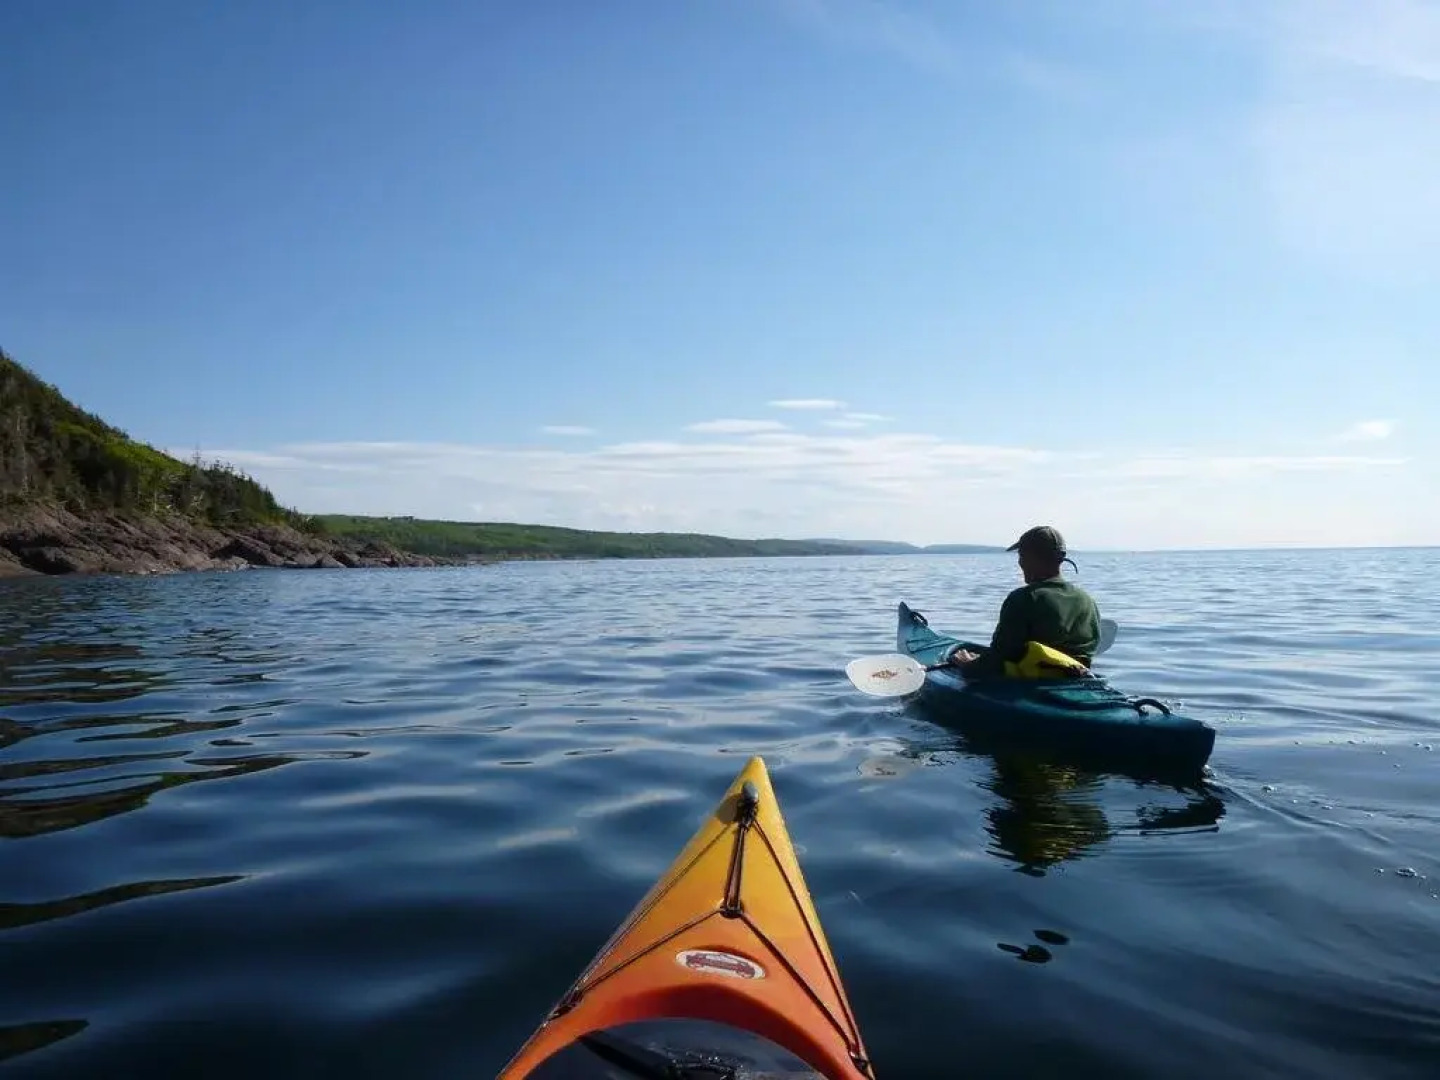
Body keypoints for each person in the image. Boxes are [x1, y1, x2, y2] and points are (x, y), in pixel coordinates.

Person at [948, 525, 1101, 678]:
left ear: (1030, 558)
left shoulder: (1023, 598)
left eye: (1021, 555)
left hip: (1029, 684)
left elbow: (998, 659)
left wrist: (968, 665)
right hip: (1077, 680)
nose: (1020, 562)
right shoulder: (1087, 600)